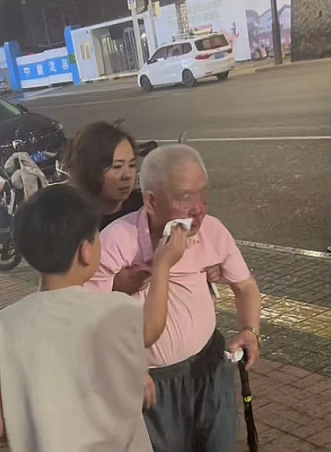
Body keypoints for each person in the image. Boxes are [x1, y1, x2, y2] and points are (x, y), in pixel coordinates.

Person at [0, 184, 188, 452]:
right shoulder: (116, 309)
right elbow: (152, 328)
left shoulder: (3, 326)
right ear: (85, 251)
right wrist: (163, 265)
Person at [86, 144, 262, 452]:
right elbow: (87, 320)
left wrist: (251, 330)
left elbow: (245, 285)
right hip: (152, 383)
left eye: (203, 195)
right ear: (151, 201)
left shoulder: (213, 231)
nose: (198, 209)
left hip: (208, 368)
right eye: (185, 198)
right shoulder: (116, 241)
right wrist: (125, 368)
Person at [65, 121, 220, 296]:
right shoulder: (73, 221)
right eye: (117, 167)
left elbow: (189, 241)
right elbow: (65, 288)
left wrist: (209, 264)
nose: (127, 175)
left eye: (132, 165)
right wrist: (111, 284)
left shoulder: (146, 207)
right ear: (90, 169)